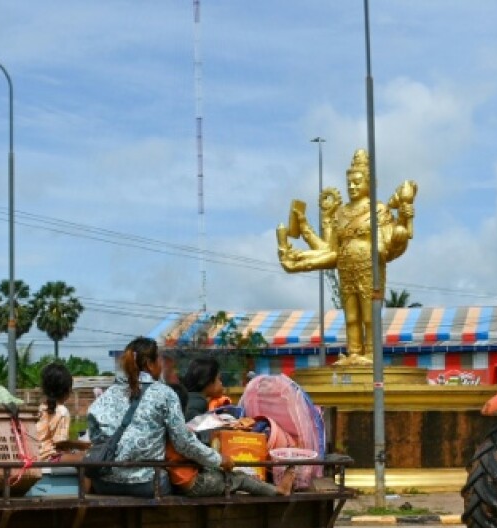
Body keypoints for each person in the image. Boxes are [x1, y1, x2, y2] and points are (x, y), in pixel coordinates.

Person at [87, 337, 292, 498]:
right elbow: (183, 442)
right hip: (148, 484)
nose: (162, 364)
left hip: (104, 481)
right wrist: (219, 460)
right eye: (159, 359)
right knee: (233, 478)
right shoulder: (164, 394)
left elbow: (96, 441)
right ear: (149, 364)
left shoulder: (105, 397)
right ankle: (277, 491)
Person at [277, 149, 417, 364]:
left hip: (368, 268)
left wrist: (404, 222)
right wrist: (300, 249)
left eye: (357, 182)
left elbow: (391, 241)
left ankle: (371, 354)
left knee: (369, 317)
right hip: (346, 269)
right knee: (351, 317)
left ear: (369, 183)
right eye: (349, 183)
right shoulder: (341, 213)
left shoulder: (378, 210)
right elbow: (330, 250)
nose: (352, 187)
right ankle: (353, 353)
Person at [36, 362, 73, 462]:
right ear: (67, 391)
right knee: (85, 459)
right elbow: (60, 443)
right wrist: (82, 445)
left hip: (36, 455)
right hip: (50, 457)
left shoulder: (41, 408)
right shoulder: (62, 412)